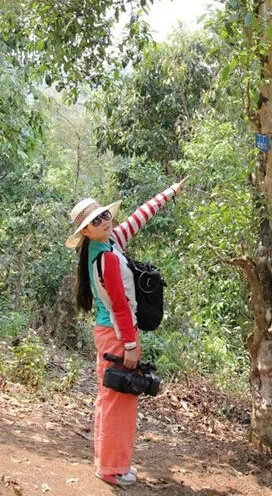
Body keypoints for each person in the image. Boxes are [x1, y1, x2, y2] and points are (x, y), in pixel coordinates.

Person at [65, 177, 188, 487]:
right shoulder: (106, 256)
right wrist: (131, 345)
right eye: (96, 220)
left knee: (110, 398)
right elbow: (120, 306)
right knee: (119, 403)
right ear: (86, 231)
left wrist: (169, 192)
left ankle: (106, 462)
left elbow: (138, 218)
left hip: (112, 332)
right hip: (118, 334)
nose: (105, 220)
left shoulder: (109, 243)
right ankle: (110, 469)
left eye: (104, 214)